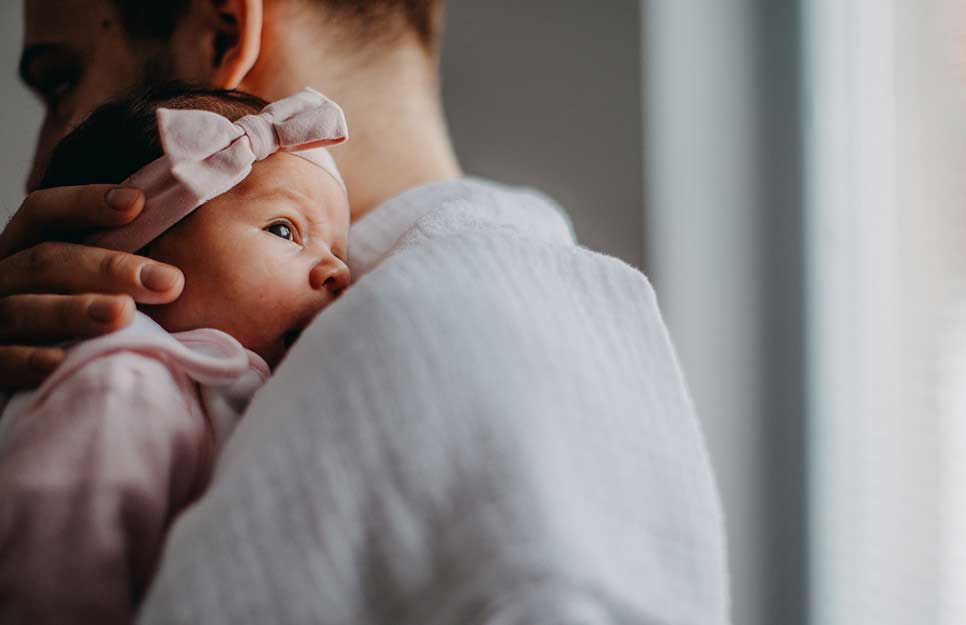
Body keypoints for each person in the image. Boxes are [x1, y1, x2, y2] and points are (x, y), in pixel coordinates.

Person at [0, 1, 731, 623]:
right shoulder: (574, 326)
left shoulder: (425, 346)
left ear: (223, 35)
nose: (39, 168)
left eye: (61, 81)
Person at [0, 84, 351, 623]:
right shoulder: (120, 382)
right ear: (138, 259)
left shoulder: (227, 385)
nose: (338, 272)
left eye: (337, 250)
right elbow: (53, 574)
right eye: (285, 229)